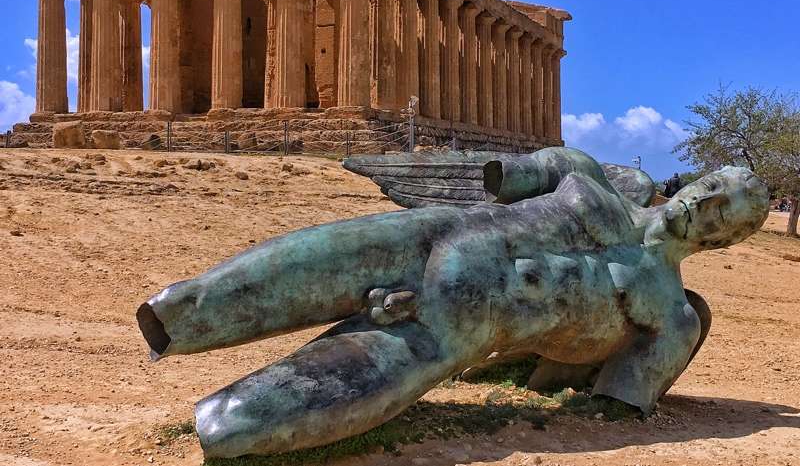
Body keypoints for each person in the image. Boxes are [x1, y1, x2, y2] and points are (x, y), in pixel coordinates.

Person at [137, 148, 769, 458]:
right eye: (712, 190)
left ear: (730, 240)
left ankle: (225, 423)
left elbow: (614, 402)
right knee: (200, 300)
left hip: (455, 330)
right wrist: (522, 171)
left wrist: (547, 376)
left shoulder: (673, 315)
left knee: (238, 426)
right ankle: (175, 323)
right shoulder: (597, 178)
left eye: (724, 217)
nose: (703, 209)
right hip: (429, 236)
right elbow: (509, 176)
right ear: (700, 180)